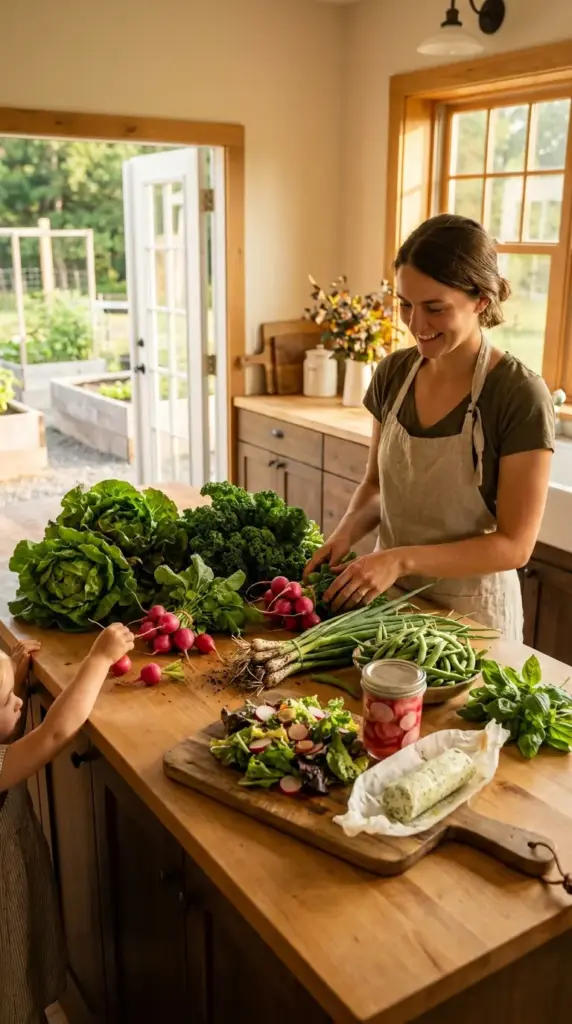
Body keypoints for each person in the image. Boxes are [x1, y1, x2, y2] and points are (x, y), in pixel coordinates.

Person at [306, 214, 554, 640]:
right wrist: (345, 533)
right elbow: (376, 486)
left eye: (435, 308)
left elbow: (515, 545)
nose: (416, 325)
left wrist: (399, 559)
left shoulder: (518, 394)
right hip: (389, 606)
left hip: (472, 620)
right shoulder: (393, 374)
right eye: (405, 304)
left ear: (479, 299)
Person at [0, 623, 134, 1024]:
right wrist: (99, 658)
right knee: (11, 983)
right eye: (9, 702)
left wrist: (15, 682)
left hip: (15, 873)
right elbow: (55, 732)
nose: (19, 704)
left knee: (24, 967)